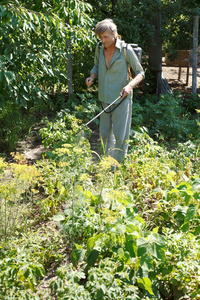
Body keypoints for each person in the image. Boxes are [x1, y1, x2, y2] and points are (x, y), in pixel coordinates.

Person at [85, 18, 144, 164]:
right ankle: (107, 164)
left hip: (121, 99)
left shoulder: (125, 50)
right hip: (104, 98)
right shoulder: (99, 48)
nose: (103, 40)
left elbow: (140, 73)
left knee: (120, 136)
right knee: (104, 134)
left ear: (114, 34)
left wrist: (130, 86)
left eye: (105, 36)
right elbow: (96, 66)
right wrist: (92, 76)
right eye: (100, 37)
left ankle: (117, 167)